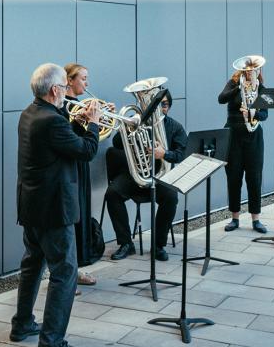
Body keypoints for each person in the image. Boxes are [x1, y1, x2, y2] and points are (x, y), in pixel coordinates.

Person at [11, 63, 100, 347]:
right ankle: (52, 341)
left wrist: (79, 121)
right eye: (63, 86)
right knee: (65, 273)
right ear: (54, 90)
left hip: (32, 206)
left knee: (32, 265)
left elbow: (61, 141)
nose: (66, 91)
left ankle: (22, 325)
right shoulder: (51, 121)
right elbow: (86, 150)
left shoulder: (30, 113)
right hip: (54, 211)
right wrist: (94, 123)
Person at [104, 90, 186, 262]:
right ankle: (126, 243)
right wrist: (126, 127)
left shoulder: (175, 127)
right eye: (154, 105)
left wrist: (164, 154)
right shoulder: (137, 122)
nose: (159, 108)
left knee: (171, 197)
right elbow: (117, 144)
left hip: (161, 175)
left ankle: (158, 245)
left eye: (164, 104)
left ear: (168, 107)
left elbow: (180, 155)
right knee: (112, 194)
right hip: (135, 174)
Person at [63, 63, 104, 287]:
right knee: (72, 219)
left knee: (80, 215)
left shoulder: (79, 105)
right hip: (71, 168)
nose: (87, 84)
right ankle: (67, 275)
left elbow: (93, 139)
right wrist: (94, 122)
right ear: (69, 80)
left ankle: (75, 270)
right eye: (83, 79)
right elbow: (77, 139)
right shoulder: (65, 107)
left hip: (81, 167)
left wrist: (101, 117)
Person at [218, 58, 268, 233]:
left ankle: (256, 219)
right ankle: (235, 218)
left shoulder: (260, 87)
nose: (250, 72)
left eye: (253, 69)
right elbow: (221, 99)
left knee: (254, 177)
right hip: (233, 135)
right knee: (234, 176)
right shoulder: (232, 83)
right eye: (247, 69)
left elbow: (265, 114)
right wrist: (238, 87)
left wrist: (253, 112)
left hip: (253, 136)